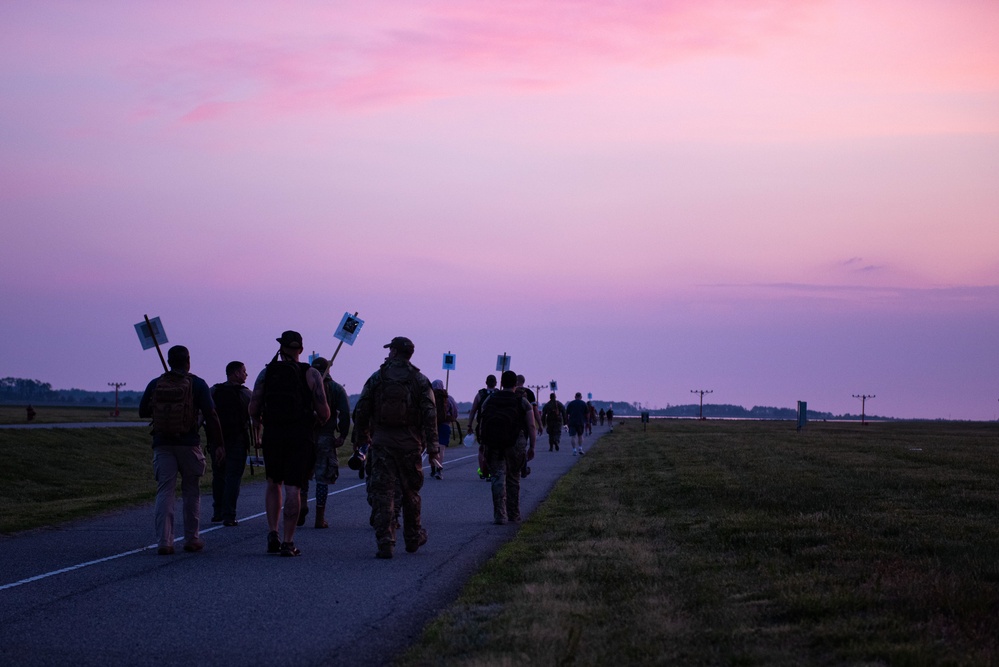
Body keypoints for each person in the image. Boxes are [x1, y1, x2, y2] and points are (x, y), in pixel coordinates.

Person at [353, 336, 438, 559]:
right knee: (411, 493)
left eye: (390, 349)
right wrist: (433, 448)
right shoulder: (419, 380)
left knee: (383, 493)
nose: (388, 353)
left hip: (382, 444)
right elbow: (430, 414)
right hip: (410, 445)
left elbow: (361, 409)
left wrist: (361, 438)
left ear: (395, 352)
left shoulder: (377, 377)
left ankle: (385, 542)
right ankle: (413, 537)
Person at [248, 331, 330, 557]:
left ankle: (273, 532)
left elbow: (253, 408)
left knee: (273, 482)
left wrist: (262, 420)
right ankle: (288, 541)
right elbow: (325, 413)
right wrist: (314, 418)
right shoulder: (311, 373)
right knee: (293, 487)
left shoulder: (267, 372)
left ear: (281, 348)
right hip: (300, 436)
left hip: (273, 435)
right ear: (300, 350)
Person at [139, 345, 224, 555]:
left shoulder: (156, 383)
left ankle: (164, 542)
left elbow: (142, 411)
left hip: (162, 444)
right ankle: (192, 539)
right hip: (189, 444)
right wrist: (219, 444)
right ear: (188, 361)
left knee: (165, 491)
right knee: (191, 490)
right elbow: (211, 415)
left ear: (169, 362)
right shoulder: (198, 383)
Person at [477, 370, 536, 524]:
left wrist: (483, 443)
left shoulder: (490, 399)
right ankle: (513, 514)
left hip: (493, 442)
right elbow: (531, 425)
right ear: (516, 384)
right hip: (515, 443)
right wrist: (532, 446)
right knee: (513, 478)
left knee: (497, 477)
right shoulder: (522, 401)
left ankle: (500, 515)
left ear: (501, 383)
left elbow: (482, 421)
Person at [302, 356, 351, 529]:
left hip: (305, 436)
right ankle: (319, 518)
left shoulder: (303, 386)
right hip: (325, 437)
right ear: (328, 368)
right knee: (322, 478)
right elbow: (345, 413)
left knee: (302, 474)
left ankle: (301, 503)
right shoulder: (336, 388)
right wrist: (342, 435)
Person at [209, 361, 252, 527]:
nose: (246, 375)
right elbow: (256, 412)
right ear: (235, 373)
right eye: (244, 371)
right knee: (233, 477)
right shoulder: (245, 393)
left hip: (216, 440)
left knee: (218, 475)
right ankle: (229, 515)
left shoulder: (214, 391)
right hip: (237, 440)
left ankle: (217, 512)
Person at [429, 380, 458, 480]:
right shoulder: (448, 398)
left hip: (431, 425)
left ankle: (433, 469)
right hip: (445, 425)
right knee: (441, 448)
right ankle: (439, 470)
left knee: (432, 447)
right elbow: (455, 411)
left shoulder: (429, 397)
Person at [565, 392, 589, 456]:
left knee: (573, 436)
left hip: (572, 422)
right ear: (581, 397)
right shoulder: (584, 403)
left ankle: (574, 450)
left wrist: (566, 422)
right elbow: (587, 414)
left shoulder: (571, 404)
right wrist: (587, 421)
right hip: (580, 422)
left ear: (575, 397)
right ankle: (580, 448)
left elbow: (566, 413)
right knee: (580, 435)